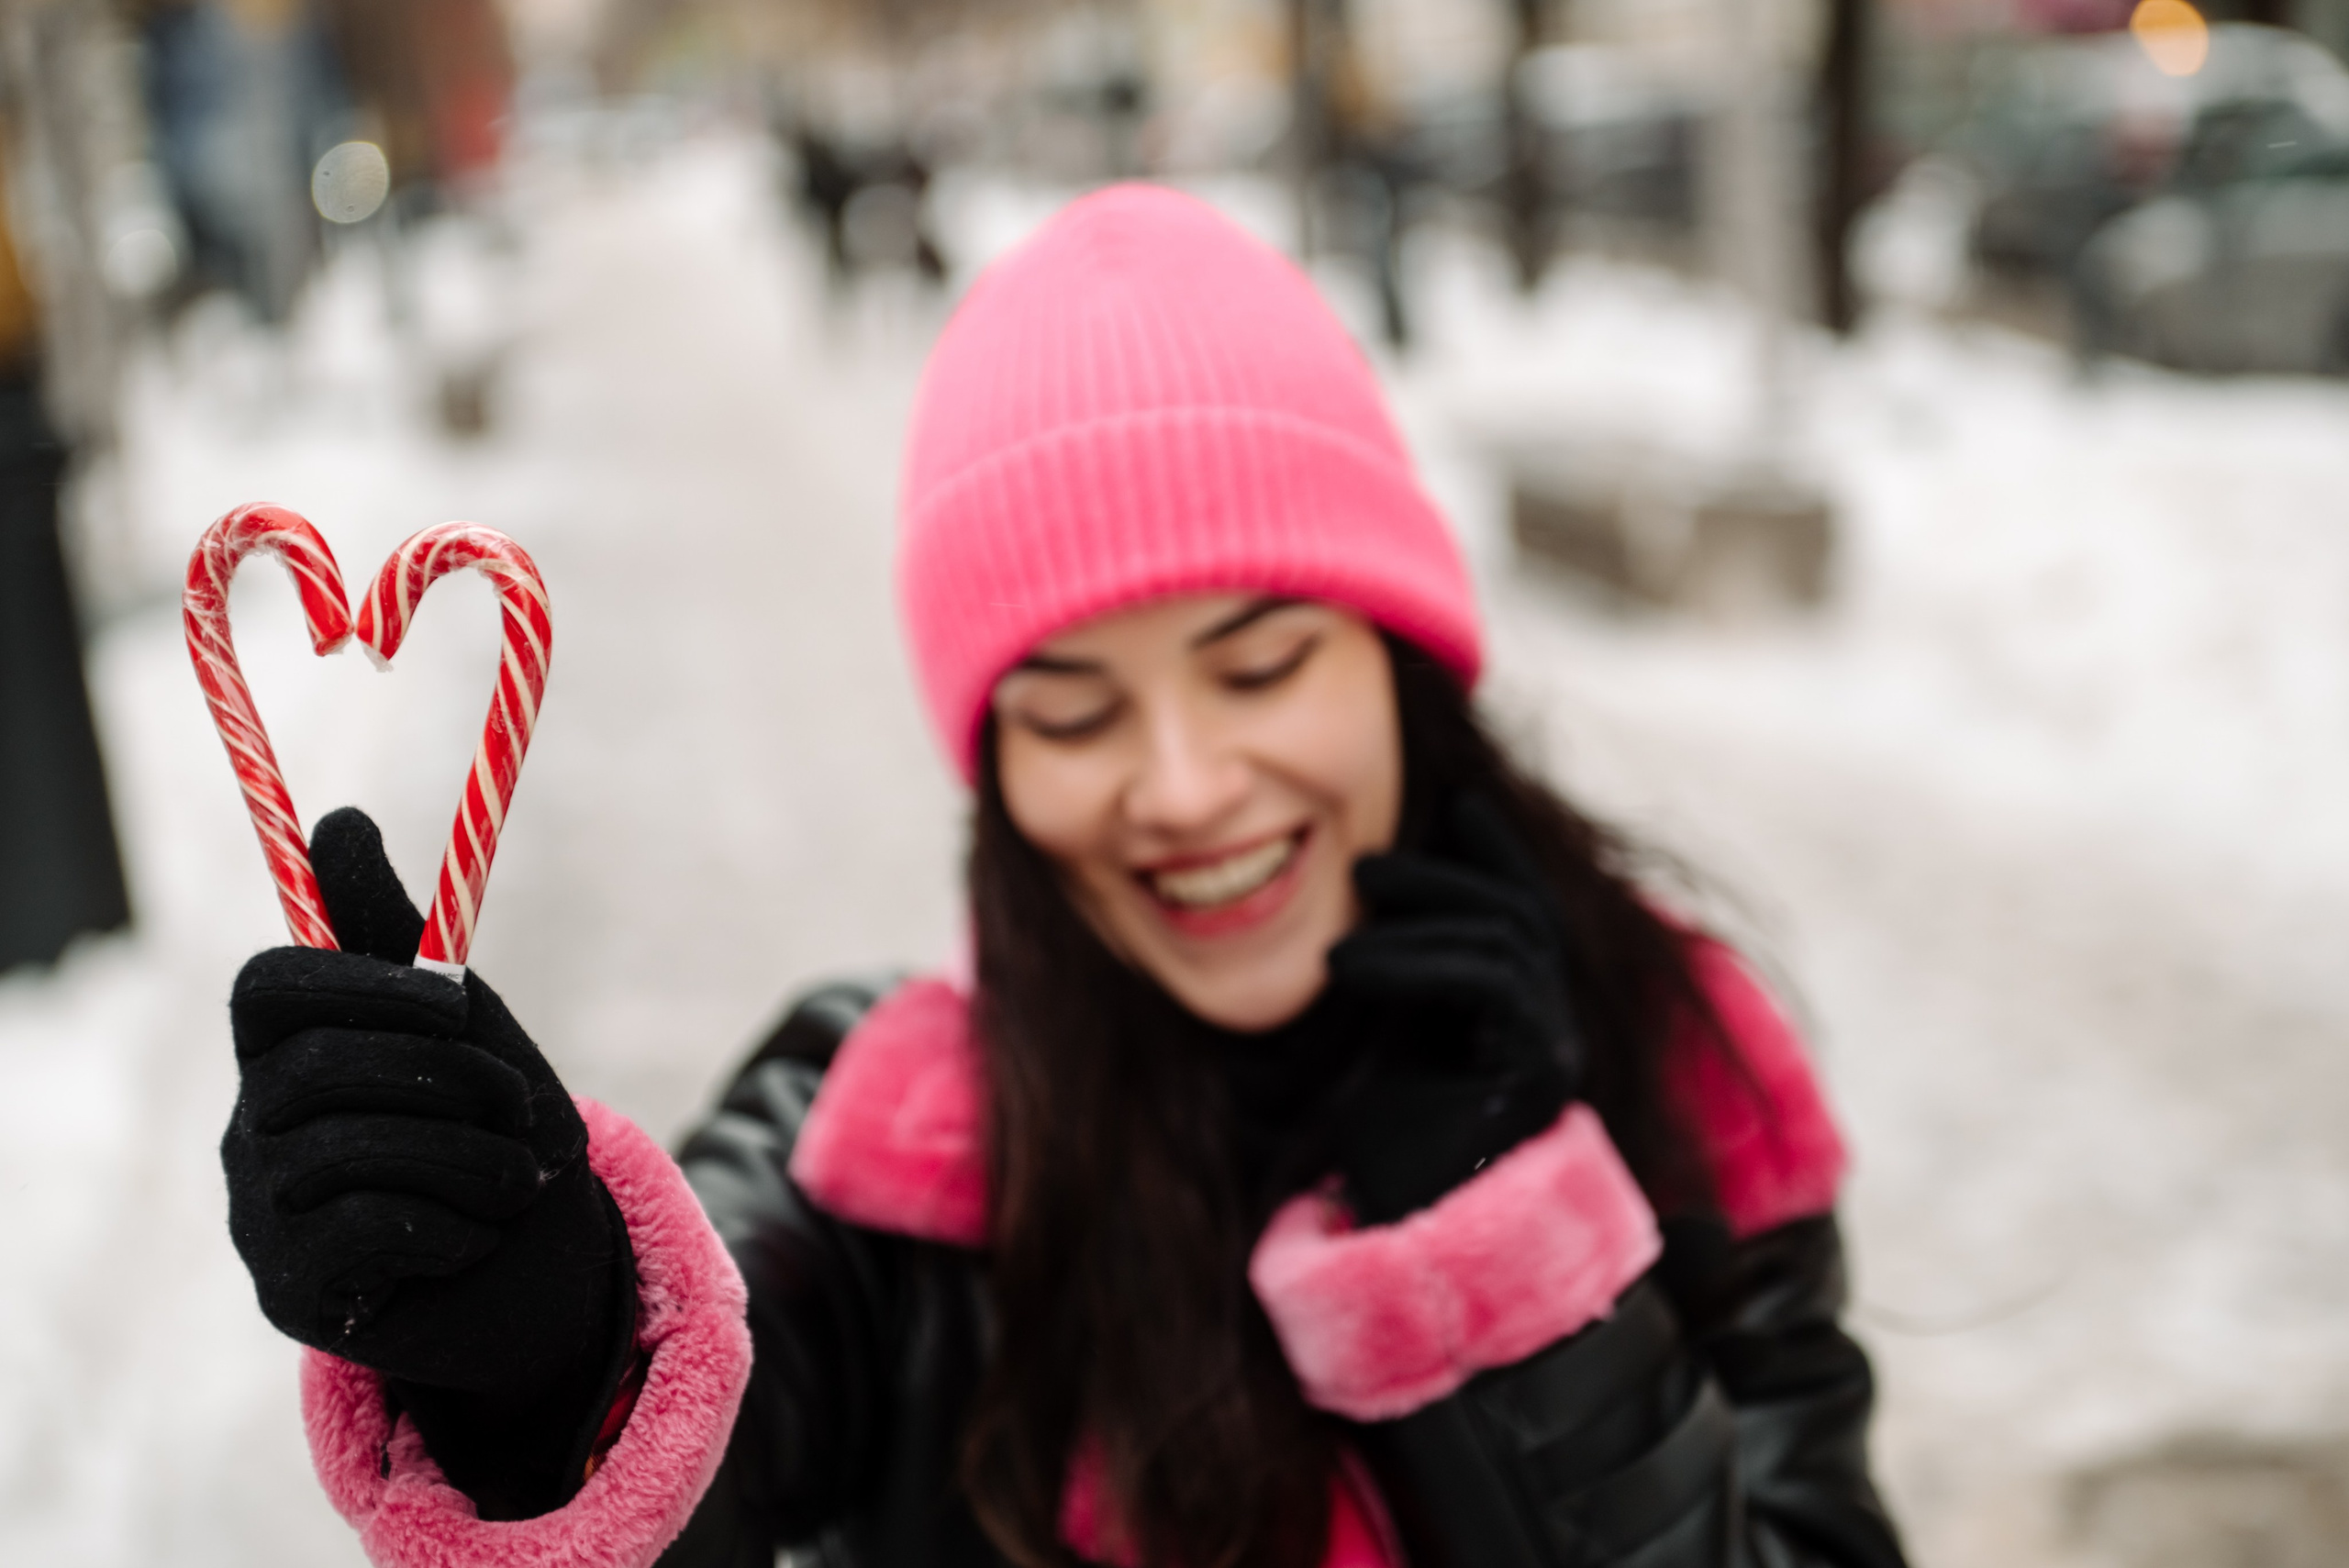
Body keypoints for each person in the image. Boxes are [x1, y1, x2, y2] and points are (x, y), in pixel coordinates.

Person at [218, 186, 1907, 1568]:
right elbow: (715, 1408)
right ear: (1000, 769)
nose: (1183, 785)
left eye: (1260, 667)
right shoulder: (886, 1142)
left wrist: (1500, 1256)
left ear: (1396, 663)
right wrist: (548, 1370)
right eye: (1075, 710)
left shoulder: (1676, 1070)